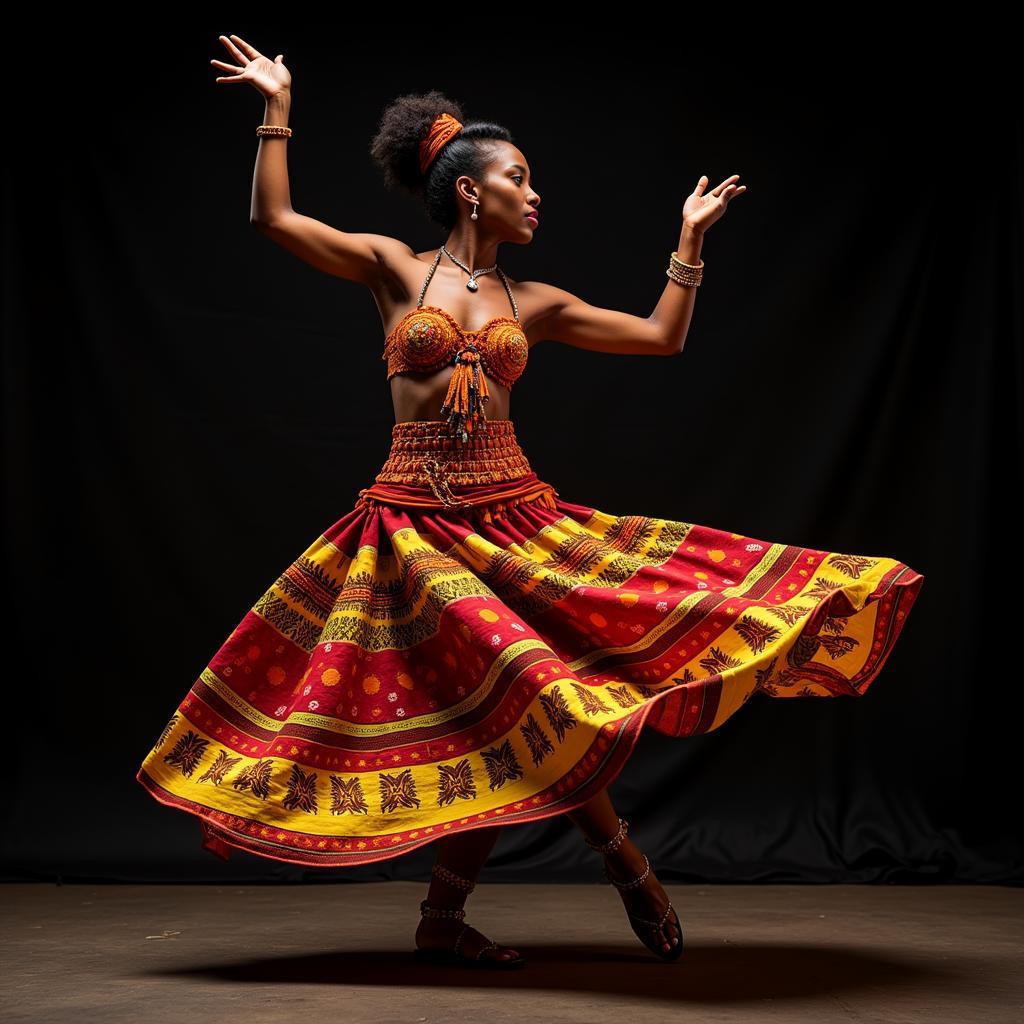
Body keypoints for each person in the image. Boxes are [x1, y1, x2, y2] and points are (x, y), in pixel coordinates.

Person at [136, 35, 925, 971]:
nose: (536, 192)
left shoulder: (535, 302)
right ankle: (621, 859)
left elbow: (662, 339)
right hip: (412, 530)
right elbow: (273, 218)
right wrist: (277, 106)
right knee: (501, 710)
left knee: (527, 703)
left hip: (512, 521)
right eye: (520, 177)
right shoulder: (395, 268)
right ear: (472, 190)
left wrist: (688, 241)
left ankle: (465, 911)